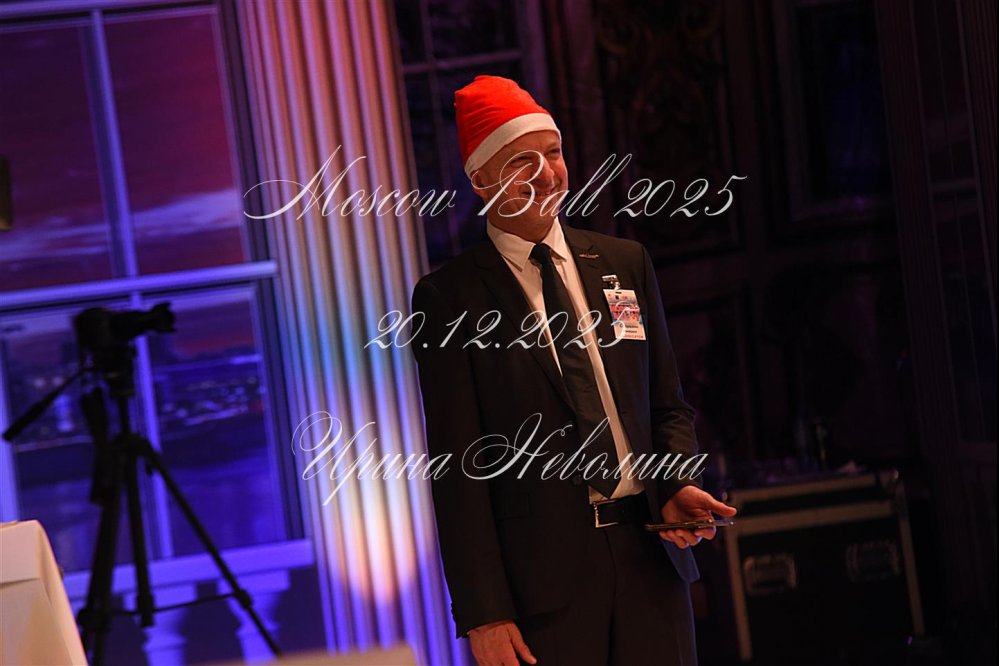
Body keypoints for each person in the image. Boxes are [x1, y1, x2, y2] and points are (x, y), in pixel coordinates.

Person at [411, 75, 736, 666]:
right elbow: (459, 472)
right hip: (543, 590)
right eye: (521, 161)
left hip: (651, 560)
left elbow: (665, 405)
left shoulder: (623, 262)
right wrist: (485, 613)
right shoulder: (449, 299)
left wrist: (674, 484)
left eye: (553, 153)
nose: (546, 174)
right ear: (481, 180)